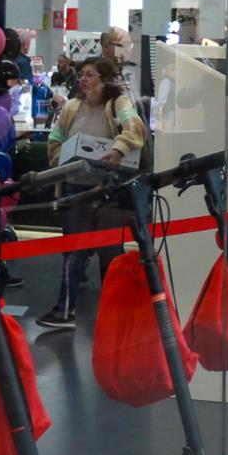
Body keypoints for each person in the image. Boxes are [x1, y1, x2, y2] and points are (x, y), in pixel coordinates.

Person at [38, 57, 148, 330]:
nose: (83, 79)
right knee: (72, 251)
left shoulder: (118, 104)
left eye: (90, 75)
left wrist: (119, 148)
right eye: (82, 74)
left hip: (108, 189)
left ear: (104, 80)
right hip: (76, 188)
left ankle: (118, 313)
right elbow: (55, 139)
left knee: (110, 252)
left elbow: (135, 128)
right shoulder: (72, 108)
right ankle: (65, 310)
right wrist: (59, 162)